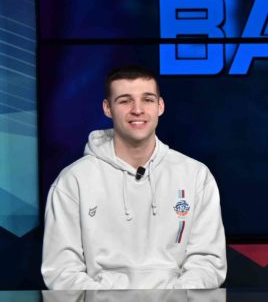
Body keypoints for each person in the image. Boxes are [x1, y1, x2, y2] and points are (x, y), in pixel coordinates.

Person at [42, 65, 227, 289]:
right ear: (107, 108)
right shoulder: (73, 181)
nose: (137, 110)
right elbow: (61, 270)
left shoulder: (196, 175)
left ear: (160, 106)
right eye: (125, 101)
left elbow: (207, 263)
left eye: (147, 100)